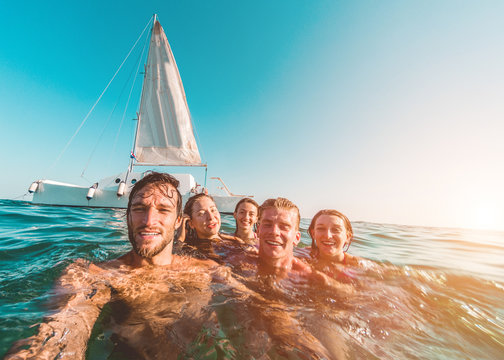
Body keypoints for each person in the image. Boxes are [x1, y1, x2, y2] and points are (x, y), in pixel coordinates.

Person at [6, 172, 230, 360]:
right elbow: (60, 329)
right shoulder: (95, 274)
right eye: (140, 208)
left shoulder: (208, 269)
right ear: (128, 216)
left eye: (163, 210)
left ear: (178, 221)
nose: (149, 220)